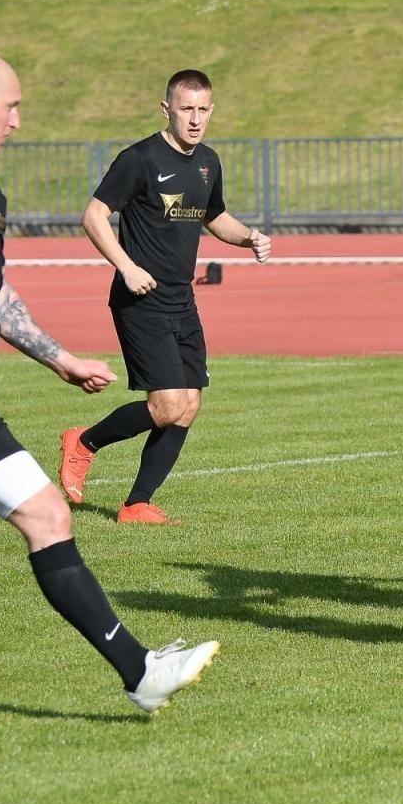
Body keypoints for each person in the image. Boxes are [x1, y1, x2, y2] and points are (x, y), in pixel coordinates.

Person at [0, 49, 218, 714]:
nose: (19, 122)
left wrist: (58, 357)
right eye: (12, 106)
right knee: (48, 513)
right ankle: (139, 670)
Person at [58, 70, 271, 526]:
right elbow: (93, 215)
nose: (195, 119)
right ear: (166, 109)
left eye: (203, 110)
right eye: (186, 109)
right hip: (141, 299)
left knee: (189, 405)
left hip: (183, 300)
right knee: (168, 404)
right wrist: (126, 266)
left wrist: (249, 236)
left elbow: (215, 217)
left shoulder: (208, 162)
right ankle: (83, 443)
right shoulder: (138, 159)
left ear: (211, 111)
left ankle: (137, 505)